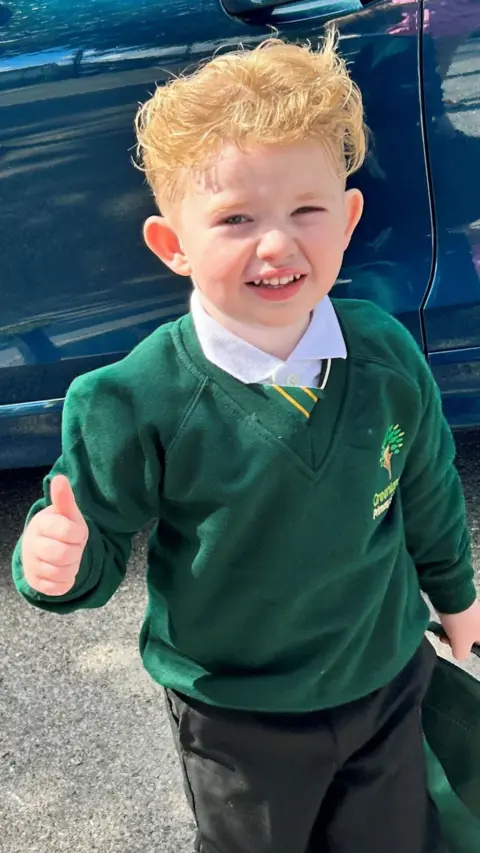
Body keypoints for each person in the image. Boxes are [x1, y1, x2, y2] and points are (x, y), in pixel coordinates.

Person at [12, 31, 480, 853]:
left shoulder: (384, 353)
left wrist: (457, 596)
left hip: (384, 675)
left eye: (307, 211)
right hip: (238, 716)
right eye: (236, 218)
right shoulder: (132, 397)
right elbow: (94, 542)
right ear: (173, 245)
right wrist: (56, 561)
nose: (277, 243)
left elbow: (427, 483)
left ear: (348, 219)